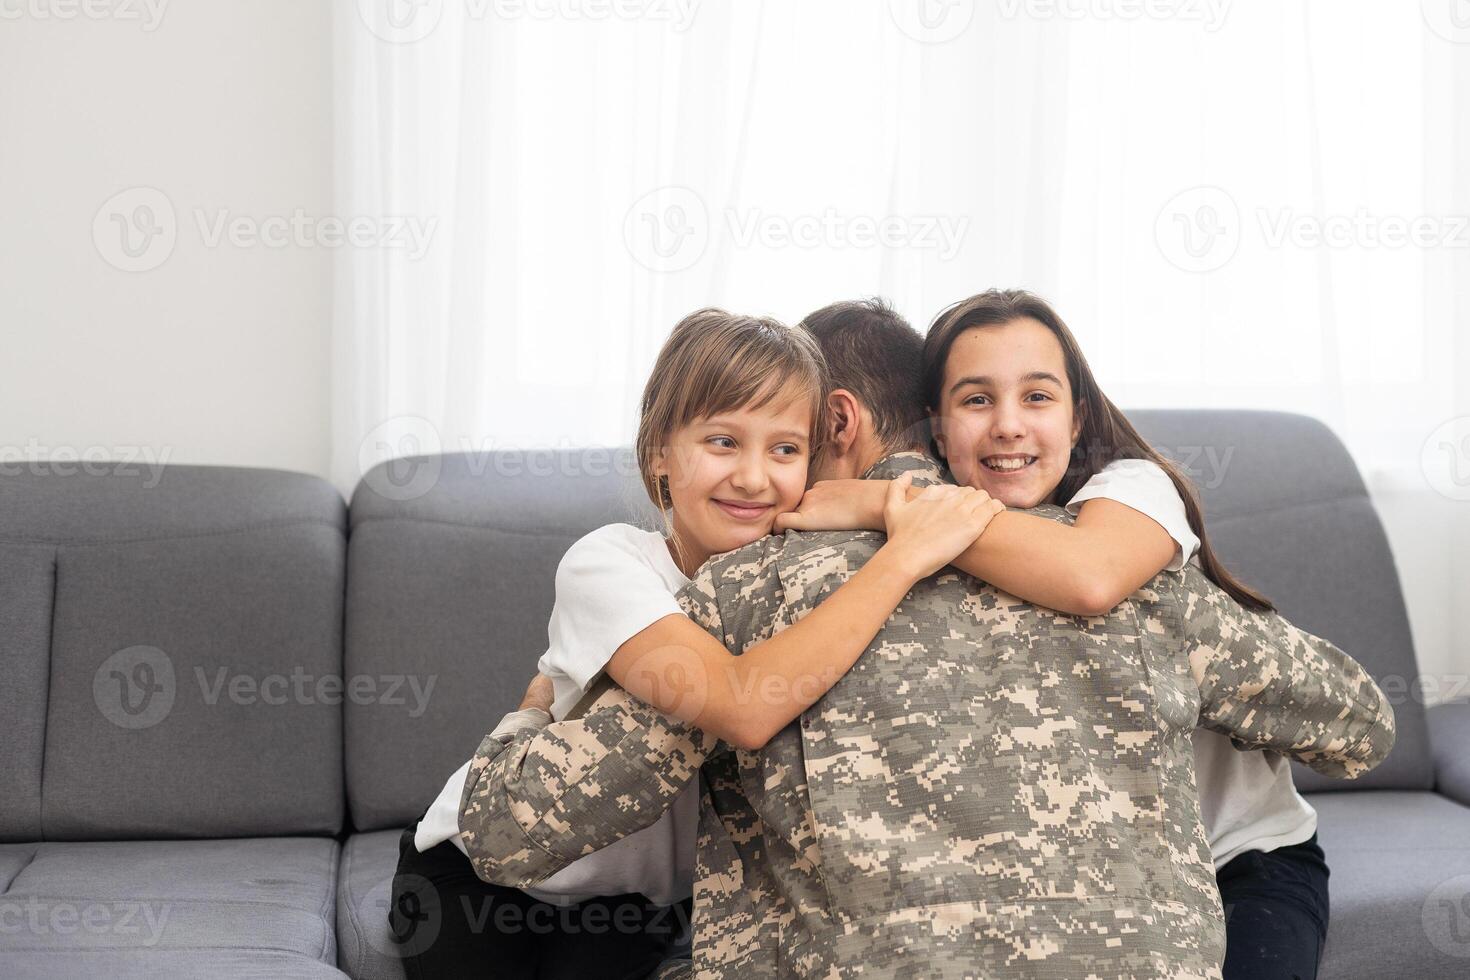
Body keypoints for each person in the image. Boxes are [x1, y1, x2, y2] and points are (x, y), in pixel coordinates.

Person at [453, 292, 1395, 978]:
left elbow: (502, 832)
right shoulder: (1139, 584)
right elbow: (1360, 724)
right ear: (941, 424)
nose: (771, 486)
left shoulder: (745, 592)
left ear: (836, 422)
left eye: (789, 446)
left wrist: (532, 713)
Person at [389, 308, 1004, 979]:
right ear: (660, 452)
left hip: (636, 907)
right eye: (722, 442)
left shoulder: (806, 582)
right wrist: (905, 554)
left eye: (785, 450)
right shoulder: (608, 563)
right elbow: (742, 705)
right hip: (483, 875)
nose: (752, 477)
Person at [781, 292, 1332, 979]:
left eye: (1037, 397)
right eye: (977, 401)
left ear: (1076, 421)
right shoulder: (945, 524)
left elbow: (1090, 578)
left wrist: (883, 501)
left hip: (1239, 857)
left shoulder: (1127, 492)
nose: (1008, 426)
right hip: (1124, 861)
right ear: (937, 430)